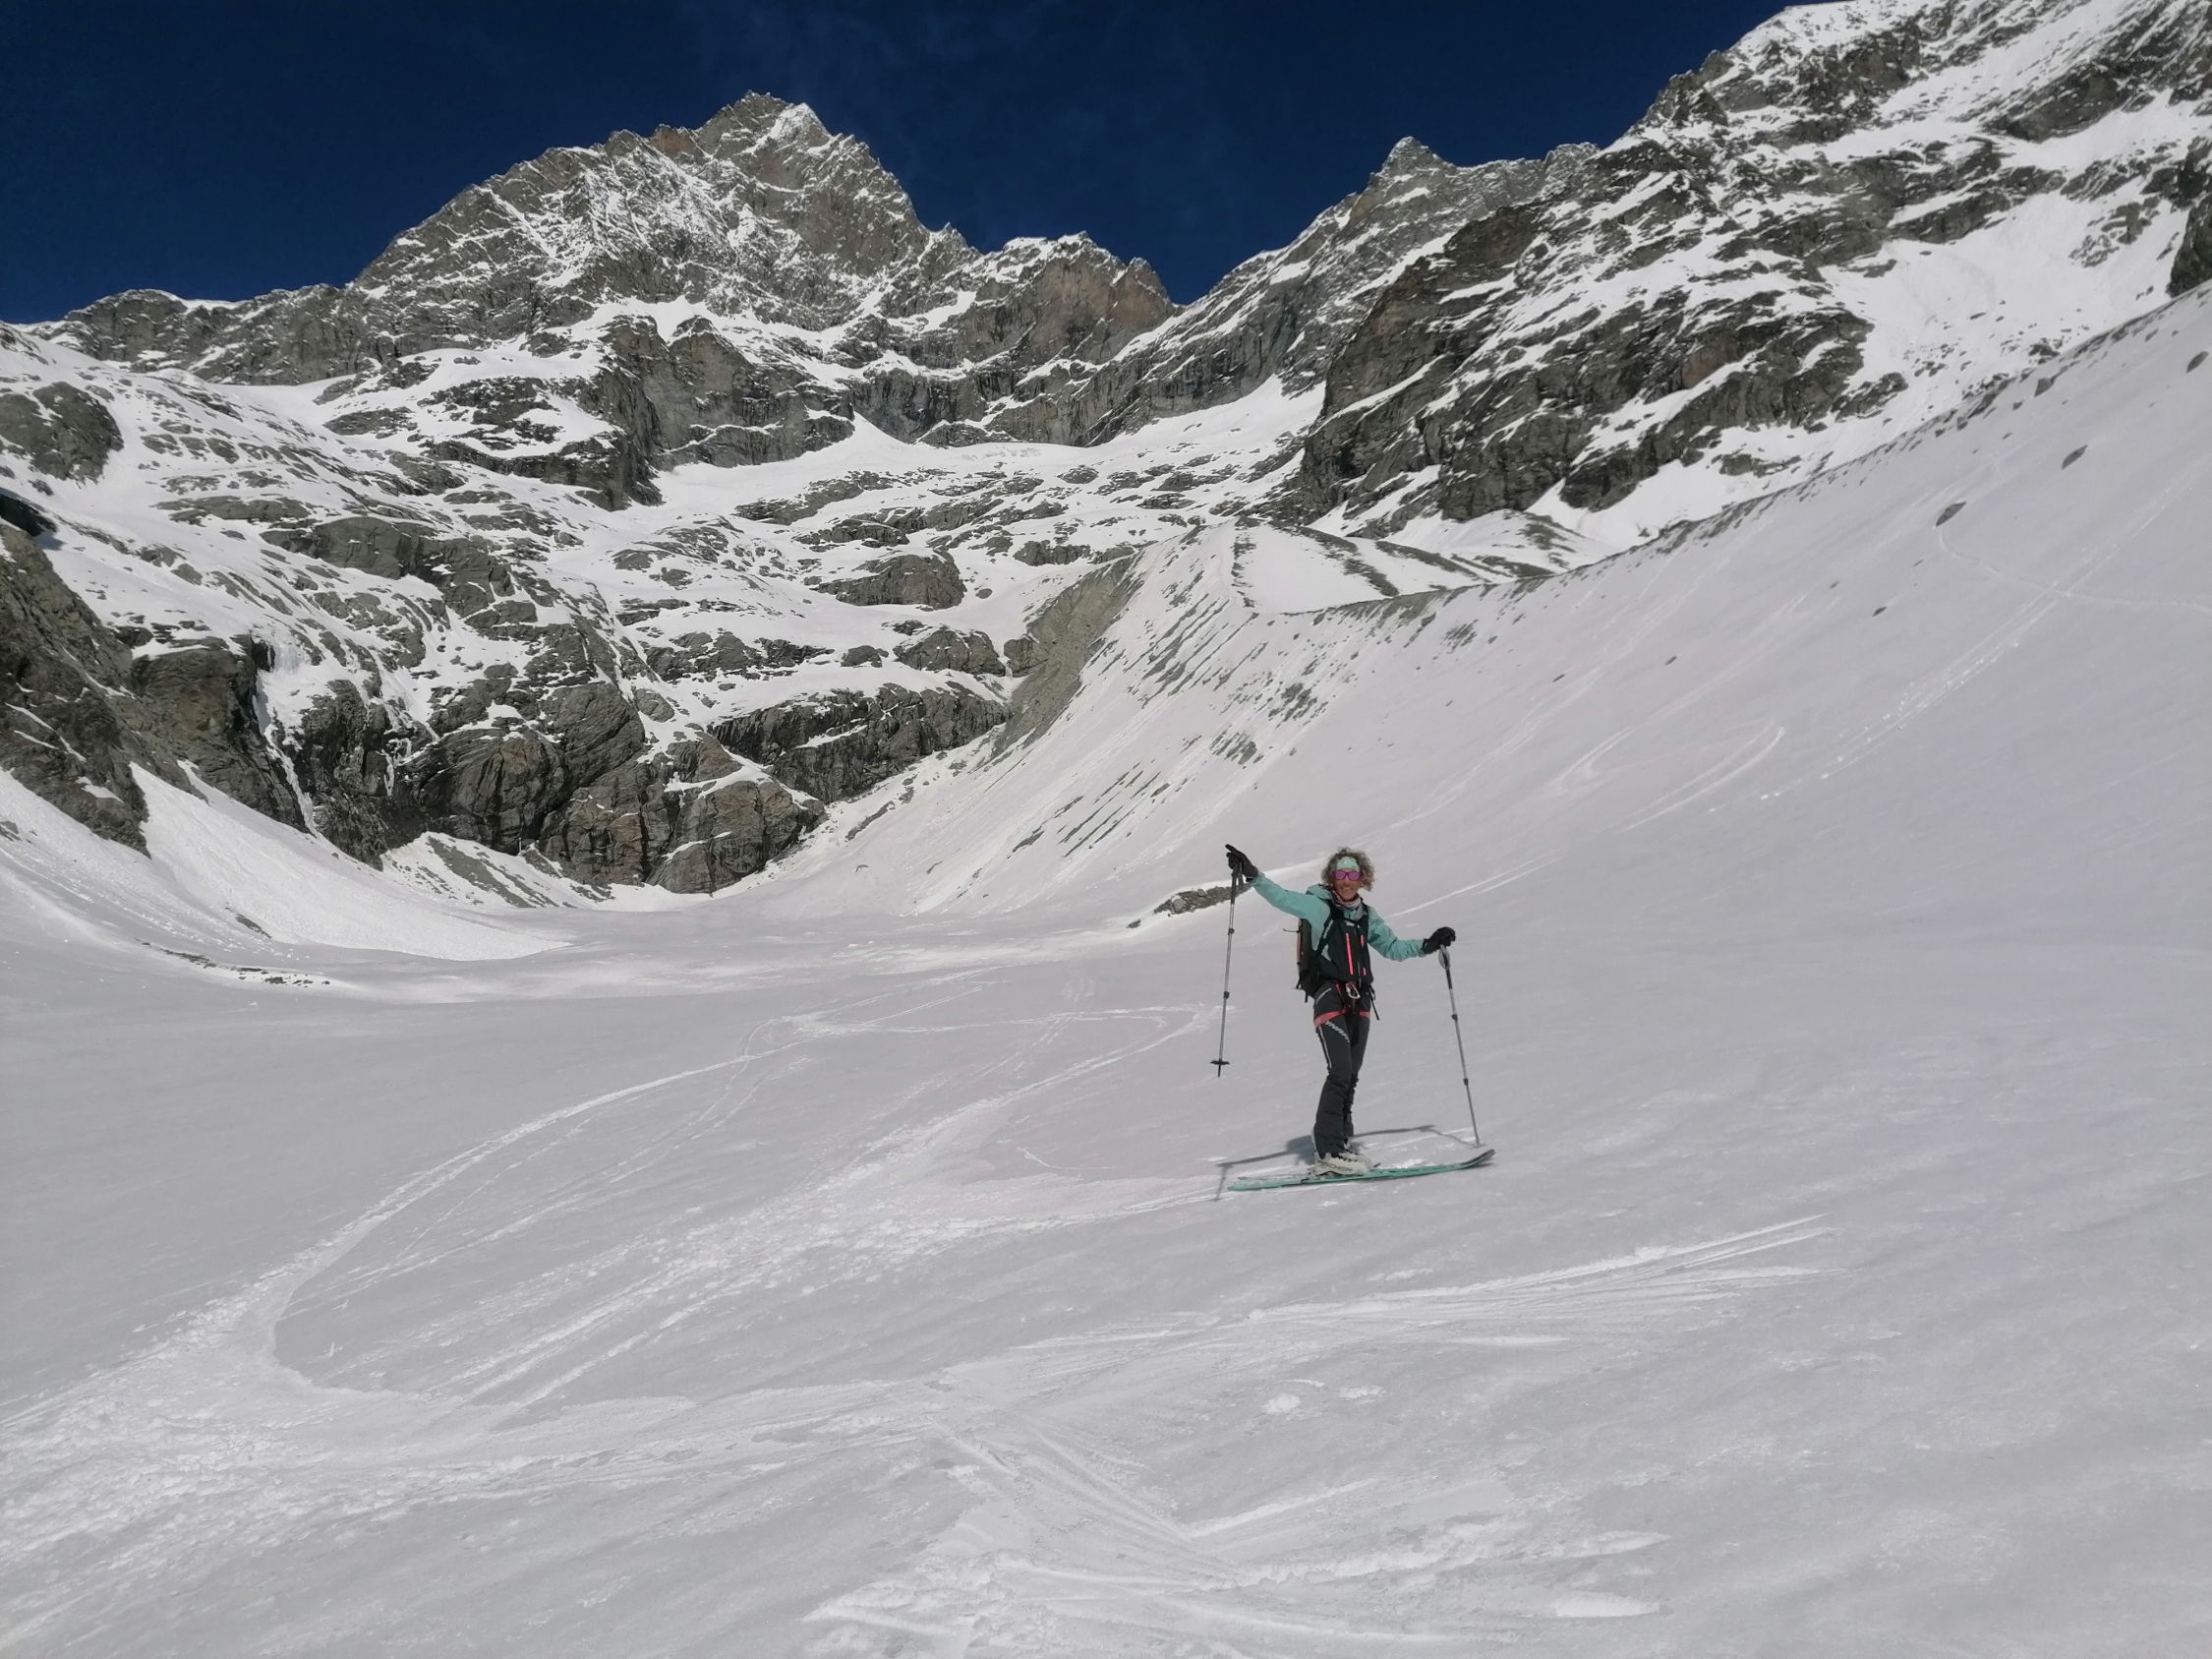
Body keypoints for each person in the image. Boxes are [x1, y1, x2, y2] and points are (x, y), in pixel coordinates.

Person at [1224, 845, 1455, 1175]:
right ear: (1332, 878)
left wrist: (1427, 945)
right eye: (1341, 874)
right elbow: (1282, 898)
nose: (1346, 880)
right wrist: (1253, 874)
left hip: (1360, 1001)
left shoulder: (1367, 917)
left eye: (1352, 874)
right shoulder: (1319, 907)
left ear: (1362, 879)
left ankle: (1342, 1142)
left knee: (1351, 1075)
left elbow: (1392, 948)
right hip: (1329, 997)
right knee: (1340, 1071)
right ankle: (1328, 1150)